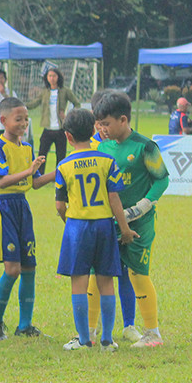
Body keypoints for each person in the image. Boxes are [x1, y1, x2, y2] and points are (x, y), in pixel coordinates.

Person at [90, 90, 169, 347]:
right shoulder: (103, 147)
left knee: (137, 274)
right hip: (107, 223)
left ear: (123, 120)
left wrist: (141, 207)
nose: (102, 128)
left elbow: (162, 179)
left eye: (106, 123)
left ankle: (152, 334)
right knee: (95, 273)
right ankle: (89, 332)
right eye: (99, 124)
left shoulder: (145, 146)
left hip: (139, 224)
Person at [54, 108, 138, 352]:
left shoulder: (63, 165)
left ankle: (83, 339)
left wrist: (68, 222)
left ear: (68, 137)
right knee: (106, 282)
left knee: (79, 282)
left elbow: (60, 206)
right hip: (104, 225)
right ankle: (107, 340)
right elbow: (115, 199)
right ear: (93, 131)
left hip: (77, 227)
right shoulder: (107, 161)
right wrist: (124, 230)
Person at [0, 96, 55, 340]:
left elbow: (33, 183)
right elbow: (2, 181)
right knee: (12, 269)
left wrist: (60, 172)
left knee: (29, 267)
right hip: (3, 208)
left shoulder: (27, 147)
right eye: (19, 119)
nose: (24, 123)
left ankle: (24, 325)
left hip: (22, 207)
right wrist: (28, 170)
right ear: (4, 120)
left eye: (26, 118)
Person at [26, 68, 81, 170]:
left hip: (61, 129)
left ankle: (59, 176)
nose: (52, 78)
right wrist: (22, 105)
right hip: (48, 128)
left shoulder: (65, 91)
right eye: (49, 76)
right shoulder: (45, 92)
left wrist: (68, 115)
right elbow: (34, 103)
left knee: (61, 155)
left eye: (54, 76)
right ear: (46, 78)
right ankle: (39, 175)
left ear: (58, 77)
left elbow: (77, 104)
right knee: (42, 153)